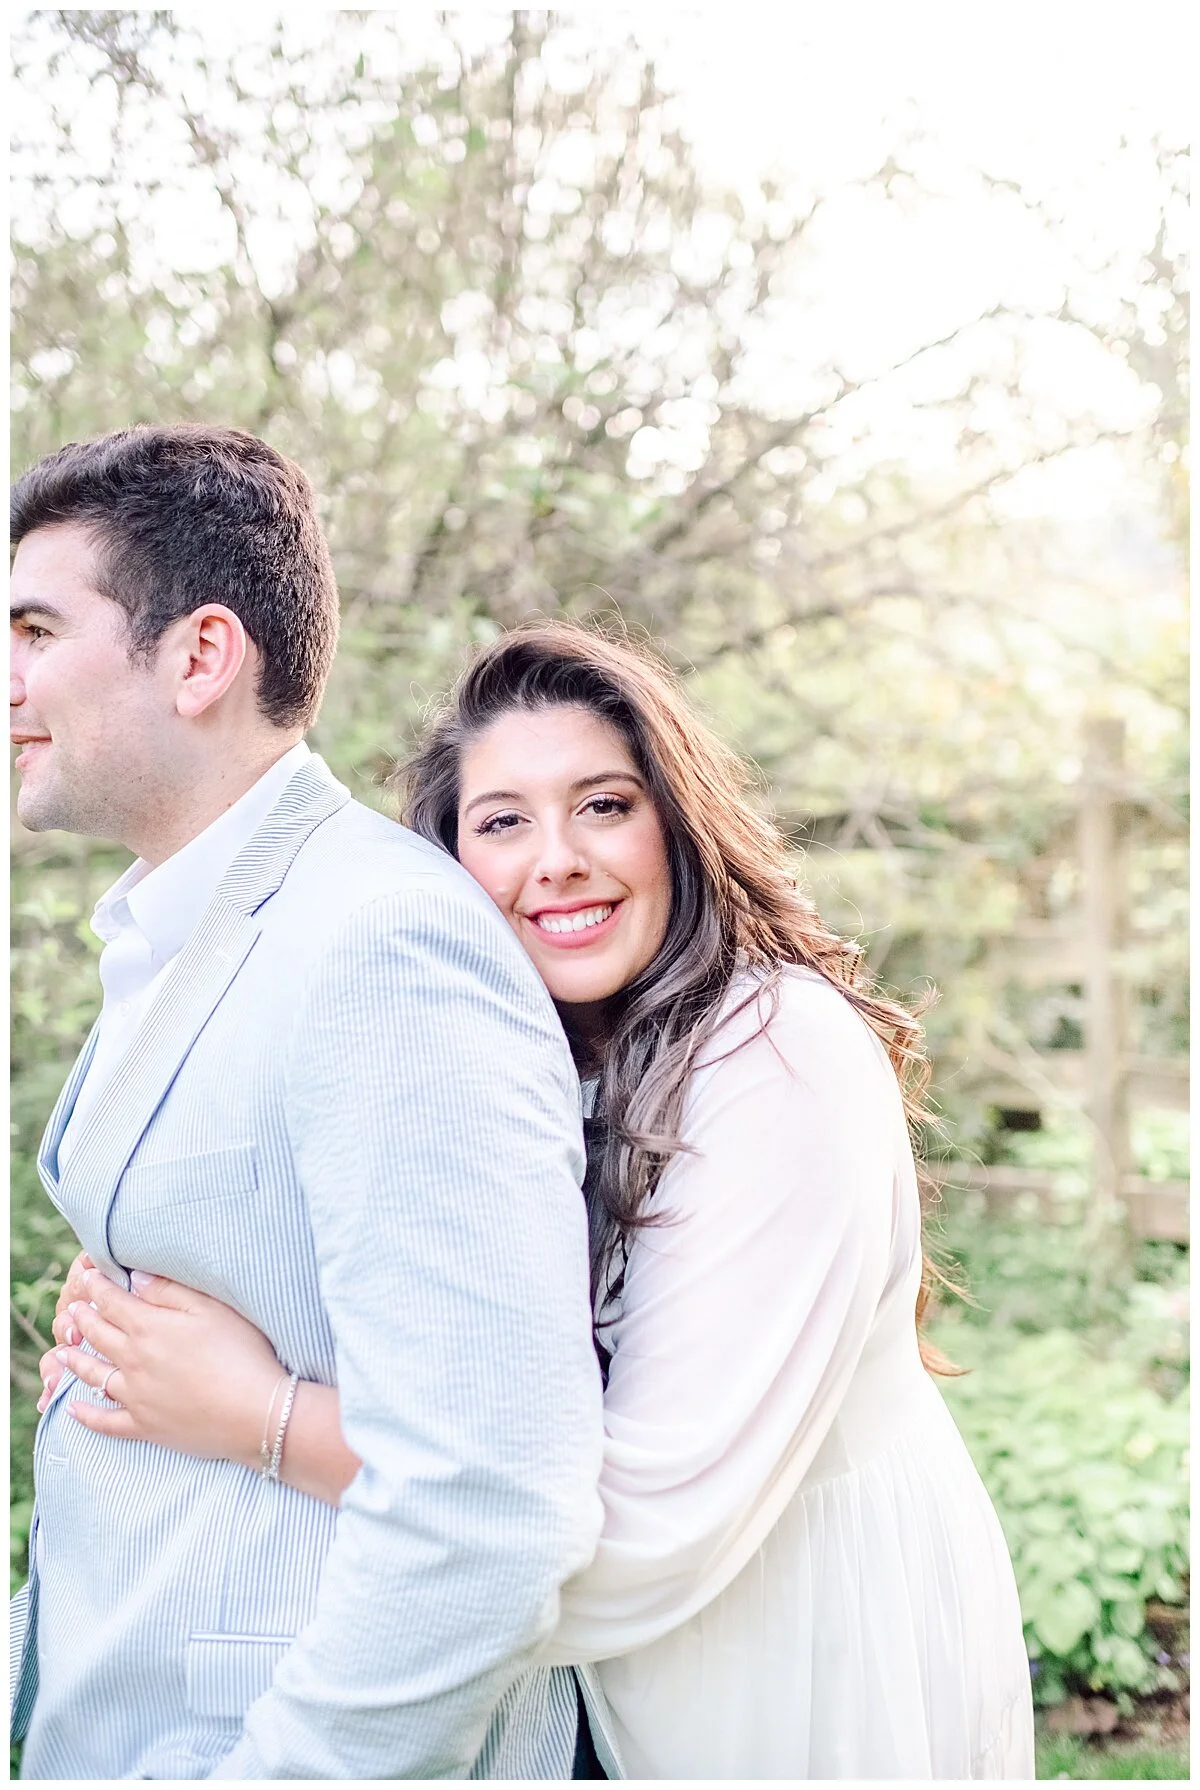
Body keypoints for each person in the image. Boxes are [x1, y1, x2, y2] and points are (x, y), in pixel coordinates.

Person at [42, 623, 1037, 1778]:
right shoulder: (528, 1054)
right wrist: (139, 1335)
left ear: (678, 823)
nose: (555, 859)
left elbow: (626, 1534)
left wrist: (253, 1411)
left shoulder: (776, 1056)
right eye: (503, 822)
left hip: (802, 1662)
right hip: (639, 1689)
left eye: (603, 805)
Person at [9, 426, 617, 1781]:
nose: (12, 677)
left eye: (38, 628)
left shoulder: (382, 942)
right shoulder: (181, 926)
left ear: (201, 656)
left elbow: (487, 1501)